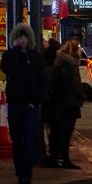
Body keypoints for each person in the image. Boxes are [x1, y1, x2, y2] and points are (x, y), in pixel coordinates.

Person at [0, 23, 46, 184]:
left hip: (30, 106)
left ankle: (27, 172)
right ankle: (20, 171)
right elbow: (7, 69)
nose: (22, 40)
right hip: (14, 104)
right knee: (17, 141)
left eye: (24, 37)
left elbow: (42, 80)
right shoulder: (9, 56)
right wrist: (18, 53)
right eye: (19, 37)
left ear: (29, 39)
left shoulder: (35, 57)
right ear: (14, 39)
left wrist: (36, 101)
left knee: (29, 140)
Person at [52, 39, 87, 168]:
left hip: (60, 102)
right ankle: (65, 160)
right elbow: (75, 85)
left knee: (60, 132)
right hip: (70, 103)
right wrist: (83, 96)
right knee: (66, 133)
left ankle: (58, 157)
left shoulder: (59, 62)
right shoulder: (71, 65)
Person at [42, 38, 61, 166]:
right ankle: (52, 156)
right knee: (55, 131)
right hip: (51, 103)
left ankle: (49, 154)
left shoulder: (43, 65)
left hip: (45, 103)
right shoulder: (53, 69)